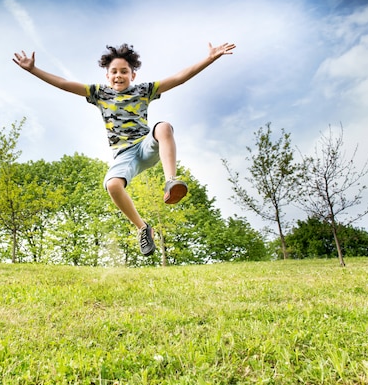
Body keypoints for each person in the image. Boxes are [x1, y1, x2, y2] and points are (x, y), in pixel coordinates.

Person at [13, 41, 235, 257]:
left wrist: (209, 58)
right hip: (125, 155)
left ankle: (171, 181)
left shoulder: (144, 90)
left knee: (164, 127)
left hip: (146, 144)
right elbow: (63, 83)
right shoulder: (99, 93)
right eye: (114, 72)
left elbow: (179, 78)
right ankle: (142, 228)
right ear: (107, 76)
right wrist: (33, 70)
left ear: (133, 75)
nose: (119, 76)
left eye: (124, 71)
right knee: (112, 185)